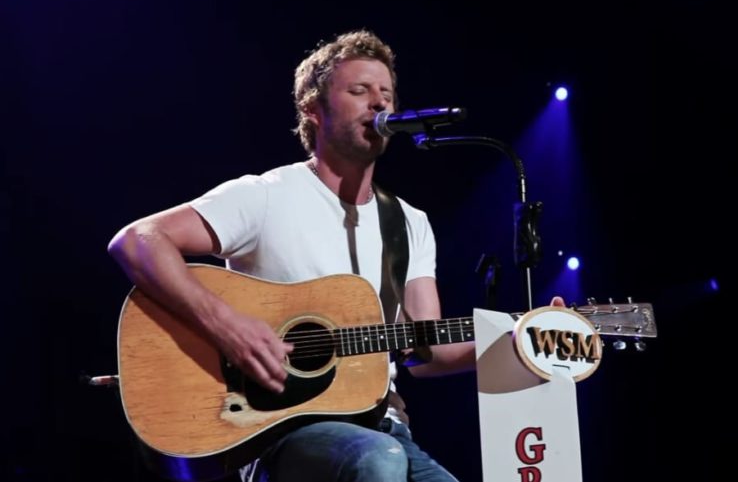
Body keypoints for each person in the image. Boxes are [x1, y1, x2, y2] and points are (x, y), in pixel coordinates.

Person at [109, 29, 563, 482]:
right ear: (313, 108)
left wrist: (523, 340)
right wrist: (229, 327)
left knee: (386, 455)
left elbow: (428, 351)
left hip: (385, 425)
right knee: (378, 461)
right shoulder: (266, 196)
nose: (379, 103)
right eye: (360, 90)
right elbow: (138, 241)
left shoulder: (409, 223)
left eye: (387, 93)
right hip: (278, 428)